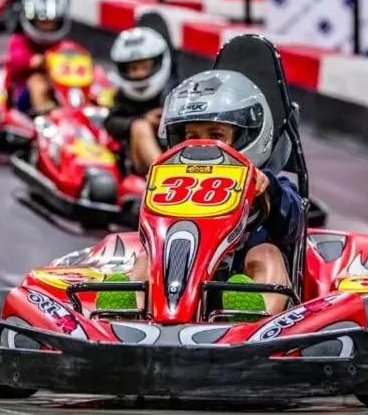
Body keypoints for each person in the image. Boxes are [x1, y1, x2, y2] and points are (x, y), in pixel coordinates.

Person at [100, 70, 303, 315]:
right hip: (185, 272)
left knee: (265, 255)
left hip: (241, 278)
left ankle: (253, 318)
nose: (202, 145)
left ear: (246, 136)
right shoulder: (177, 183)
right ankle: (127, 312)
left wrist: (268, 188)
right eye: (192, 137)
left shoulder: (268, 182)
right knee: (146, 258)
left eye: (216, 135)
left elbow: (294, 223)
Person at [104, 27, 174, 176]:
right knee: (139, 127)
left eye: (144, 66)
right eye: (133, 68)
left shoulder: (174, 90)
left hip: (173, 151)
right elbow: (110, 123)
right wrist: (144, 120)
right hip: (138, 166)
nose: (140, 73)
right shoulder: (123, 97)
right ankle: (166, 177)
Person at [5, 0, 71, 115]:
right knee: (38, 83)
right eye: (43, 22)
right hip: (21, 92)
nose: (47, 27)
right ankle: (45, 121)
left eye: (52, 22)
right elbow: (16, 59)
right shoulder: (20, 41)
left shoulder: (63, 45)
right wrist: (33, 61)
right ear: (32, 20)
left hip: (60, 86)